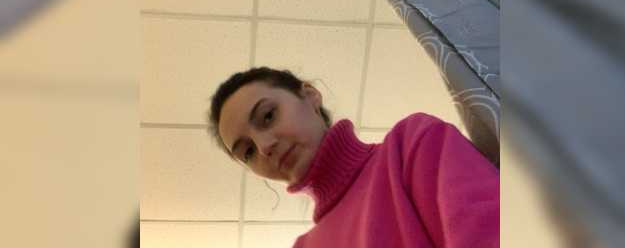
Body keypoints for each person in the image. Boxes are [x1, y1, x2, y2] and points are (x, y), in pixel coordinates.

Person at [209, 67, 499, 248]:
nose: (264, 147)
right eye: (247, 152)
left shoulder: (411, 144)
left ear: (310, 95)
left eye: (268, 116)